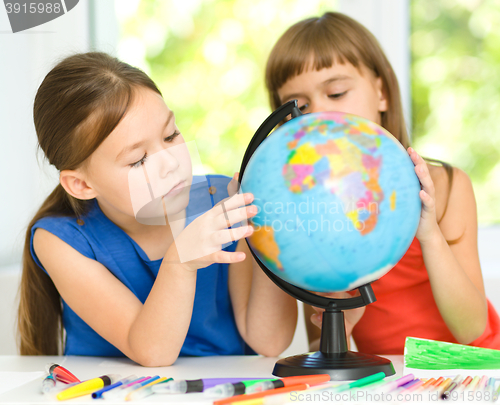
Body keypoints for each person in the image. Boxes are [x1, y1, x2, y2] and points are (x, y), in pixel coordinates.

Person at [18, 52, 297, 366]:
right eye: (138, 160)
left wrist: (264, 227)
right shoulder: (60, 240)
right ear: (82, 185)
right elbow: (152, 351)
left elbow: (270, 341)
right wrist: (179, 262)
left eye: (171, 135)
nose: (170, 162)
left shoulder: (221, 201)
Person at [264, 12, 500, 354]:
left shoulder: (445, 186)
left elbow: (472, 329)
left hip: (476, 369)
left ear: (382, 93)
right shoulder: (308, 209)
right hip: (395, 381)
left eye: (337, 92)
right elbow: (321, 345)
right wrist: (342, 323)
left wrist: (429, 233)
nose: (320, 115)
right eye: (299, 106)